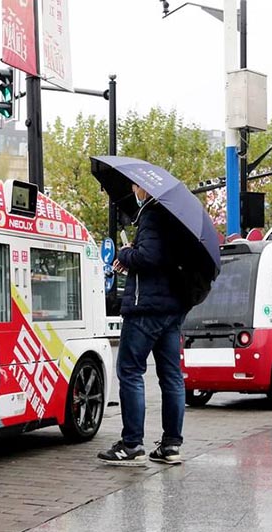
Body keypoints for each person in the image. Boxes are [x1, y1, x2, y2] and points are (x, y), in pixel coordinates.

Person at [98, 183, 188, 466]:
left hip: (146, 309)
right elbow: (161, 259)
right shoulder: (176, 218)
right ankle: (171, 446)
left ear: (143, 188)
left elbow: (148, 258)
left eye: (135, 186)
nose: (133, 190)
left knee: (130, 371)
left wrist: (126, 253)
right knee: (171, 377)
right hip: (172, 308)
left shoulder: (151, 215)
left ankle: (131, 443)